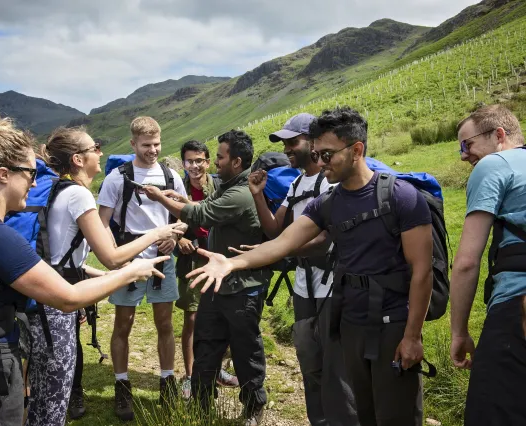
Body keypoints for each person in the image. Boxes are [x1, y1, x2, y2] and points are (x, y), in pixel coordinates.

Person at [186, 107, 434, 426]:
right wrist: (232, 263)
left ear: (356, 150)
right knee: (360, 410)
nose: (321, 161)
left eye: (327, 154)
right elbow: (283, 242)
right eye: (317, 153)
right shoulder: (328, 203)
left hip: (392, 325)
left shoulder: (401, 197)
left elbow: (422, 272)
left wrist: (412, 336)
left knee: (396, 413)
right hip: (350, 322)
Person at [0, 95, 170, 426]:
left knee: (34, 401)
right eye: (29, 174)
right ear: (3, 174)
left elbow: (42, 266)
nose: (35, 183)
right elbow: (68, 297)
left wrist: (95, 273)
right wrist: (131, 269)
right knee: (49, 409)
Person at [25, 127, 185, 426]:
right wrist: (157, 234)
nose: (100, 153)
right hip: (58, 303)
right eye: (94, 147)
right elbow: (111, 257)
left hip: (44, 292)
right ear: (77, 159)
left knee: (40, 391)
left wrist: (104, 275)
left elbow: (63, 256)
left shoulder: (56, 189)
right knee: (53, 396)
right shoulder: (79, 195)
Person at [144, 130, 272, 426]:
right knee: (205, 345)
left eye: (221, 157)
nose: (215, 162)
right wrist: (181, 199)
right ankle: (202, 406)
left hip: (242, 289)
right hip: (217, 285)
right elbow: (203, 205)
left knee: (245, 351)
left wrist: (160, 199)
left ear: (236, 162)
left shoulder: (240, 194)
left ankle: (254, 407)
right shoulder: (230, 187)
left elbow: (202, 215)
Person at [245, 113, 358, 426]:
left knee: (337, 368)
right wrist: (258, 196)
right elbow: (275, 230)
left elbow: (323, 241)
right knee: (309, 360)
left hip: (332, 286)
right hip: (304, 286)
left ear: (313, 142)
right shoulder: (296, 183)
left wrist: (275, 250)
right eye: (284, 144)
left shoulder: (330, 182)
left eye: (292, 142)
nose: (286, 149)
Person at [97, 116, 188, 421]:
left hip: (163, 257)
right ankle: (122, 385)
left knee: (165, 323)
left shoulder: (171, 176)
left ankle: (167, 383)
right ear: (133, 143)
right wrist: (117, 256)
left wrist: (175, 237)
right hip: (130, 257)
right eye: (146, 145)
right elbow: (102, 223)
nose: (153, 150)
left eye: (157, 144)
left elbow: (183, 215)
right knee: (123, 324)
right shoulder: (117, 178)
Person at [449, 104, 526, 425]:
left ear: (499, 135)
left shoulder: (495, 163)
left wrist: (459, 332)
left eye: (467, 144)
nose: (463, 155)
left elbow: (467, 262)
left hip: (517, 306)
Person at [174, 140, 239, 400]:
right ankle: (191, 375)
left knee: (221, 315)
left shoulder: (220, 186)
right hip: (191, 260)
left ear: (208, 162)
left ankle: (215, 369)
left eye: (199, 160)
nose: (194, 166)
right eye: (189, 161)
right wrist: (179, 240)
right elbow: (167, 222)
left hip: (219, 258)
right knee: (192, 317)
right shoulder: (177, 187)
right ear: (183, 163)